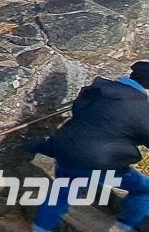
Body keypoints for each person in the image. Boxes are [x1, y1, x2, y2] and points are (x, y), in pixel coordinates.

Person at [31, 61, 149, 232]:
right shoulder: (141, 110)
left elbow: (84, 114)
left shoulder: (97, 90)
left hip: (66, 150)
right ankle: (123, 227)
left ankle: (40, 228)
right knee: (144, 190)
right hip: (100, 162)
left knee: (63, 193)